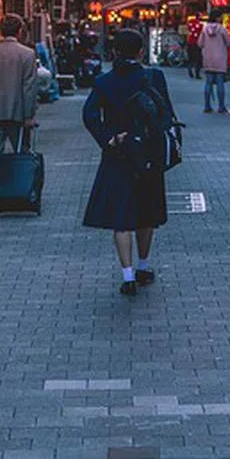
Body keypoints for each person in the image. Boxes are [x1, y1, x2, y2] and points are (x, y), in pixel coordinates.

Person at [82, 29, 173, 296]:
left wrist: (108, 138)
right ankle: (144, 265)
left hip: (118, 154)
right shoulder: (154, 77)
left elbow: (89, 115)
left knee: (121, 217)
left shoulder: (104, 81)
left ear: (114, 52)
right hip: (148, 154)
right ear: (141, 52)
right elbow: (165, 113)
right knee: (147, 213)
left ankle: (128, 275)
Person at [0, 14, 38, 211]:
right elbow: (28, 88)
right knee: (21, 152)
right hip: (17, 113)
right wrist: (29, 115)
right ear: (20, 31)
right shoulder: (27, 54)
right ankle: (20, 192)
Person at [199, 9, 230, 114]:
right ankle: (221, 106)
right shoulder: (222, 29)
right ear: (217, 17)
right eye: (221, 16)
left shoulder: (204, 29)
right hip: (220, 59)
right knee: (220, 82)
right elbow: (228, 42)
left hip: (208, 58)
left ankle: (207, 106)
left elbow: (200, 43)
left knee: (208, 82)